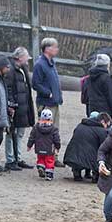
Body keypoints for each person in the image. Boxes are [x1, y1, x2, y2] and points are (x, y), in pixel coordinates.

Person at [32, 38, 64, 167]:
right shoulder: (40, 64)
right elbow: (36, 84)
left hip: (54, 102)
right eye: (55, 47)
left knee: (54, 130)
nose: (57, 49)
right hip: (46, 102)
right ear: (47, 48)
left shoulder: (51, 63)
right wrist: (48, 93)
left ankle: (53, 156)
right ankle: (44, 157)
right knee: (45, 131)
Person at [3, 47, 35, 171]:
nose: (27, 60)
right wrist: (11, 105)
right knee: (11, 133)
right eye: (26, 58)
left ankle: (18, 158)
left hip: (23, 107)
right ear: (20, 57)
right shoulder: (11, 70)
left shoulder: (22, 69)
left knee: (20, 133)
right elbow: (9, 88)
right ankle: (11, 159)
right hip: (16, 107)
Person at [64, 111, 111, 182]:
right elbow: (104, 146)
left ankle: (77, 173)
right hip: (89, 158)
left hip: (72, 155)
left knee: (85, 149)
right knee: (99, 154)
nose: (107, 127)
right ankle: (96, 176)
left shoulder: (80, 125)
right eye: (107, 124)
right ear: (103, 122)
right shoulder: (101, 130)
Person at [26, 108, 61, 181]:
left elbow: (32, 137)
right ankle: (49, 174)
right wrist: (58, 147)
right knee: (49, 161)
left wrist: (29, 145)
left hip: (39, 148)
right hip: (49, 149)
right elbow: (56, 139)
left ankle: (41, 166)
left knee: (41, 159)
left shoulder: (36, 127)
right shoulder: (54, 129)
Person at [83, 54, 112, 119]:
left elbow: (85, 97)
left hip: (91, 110)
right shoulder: (107, 79)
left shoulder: (88, 78)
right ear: (108, 64)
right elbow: (111, 96)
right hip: (105, 113)